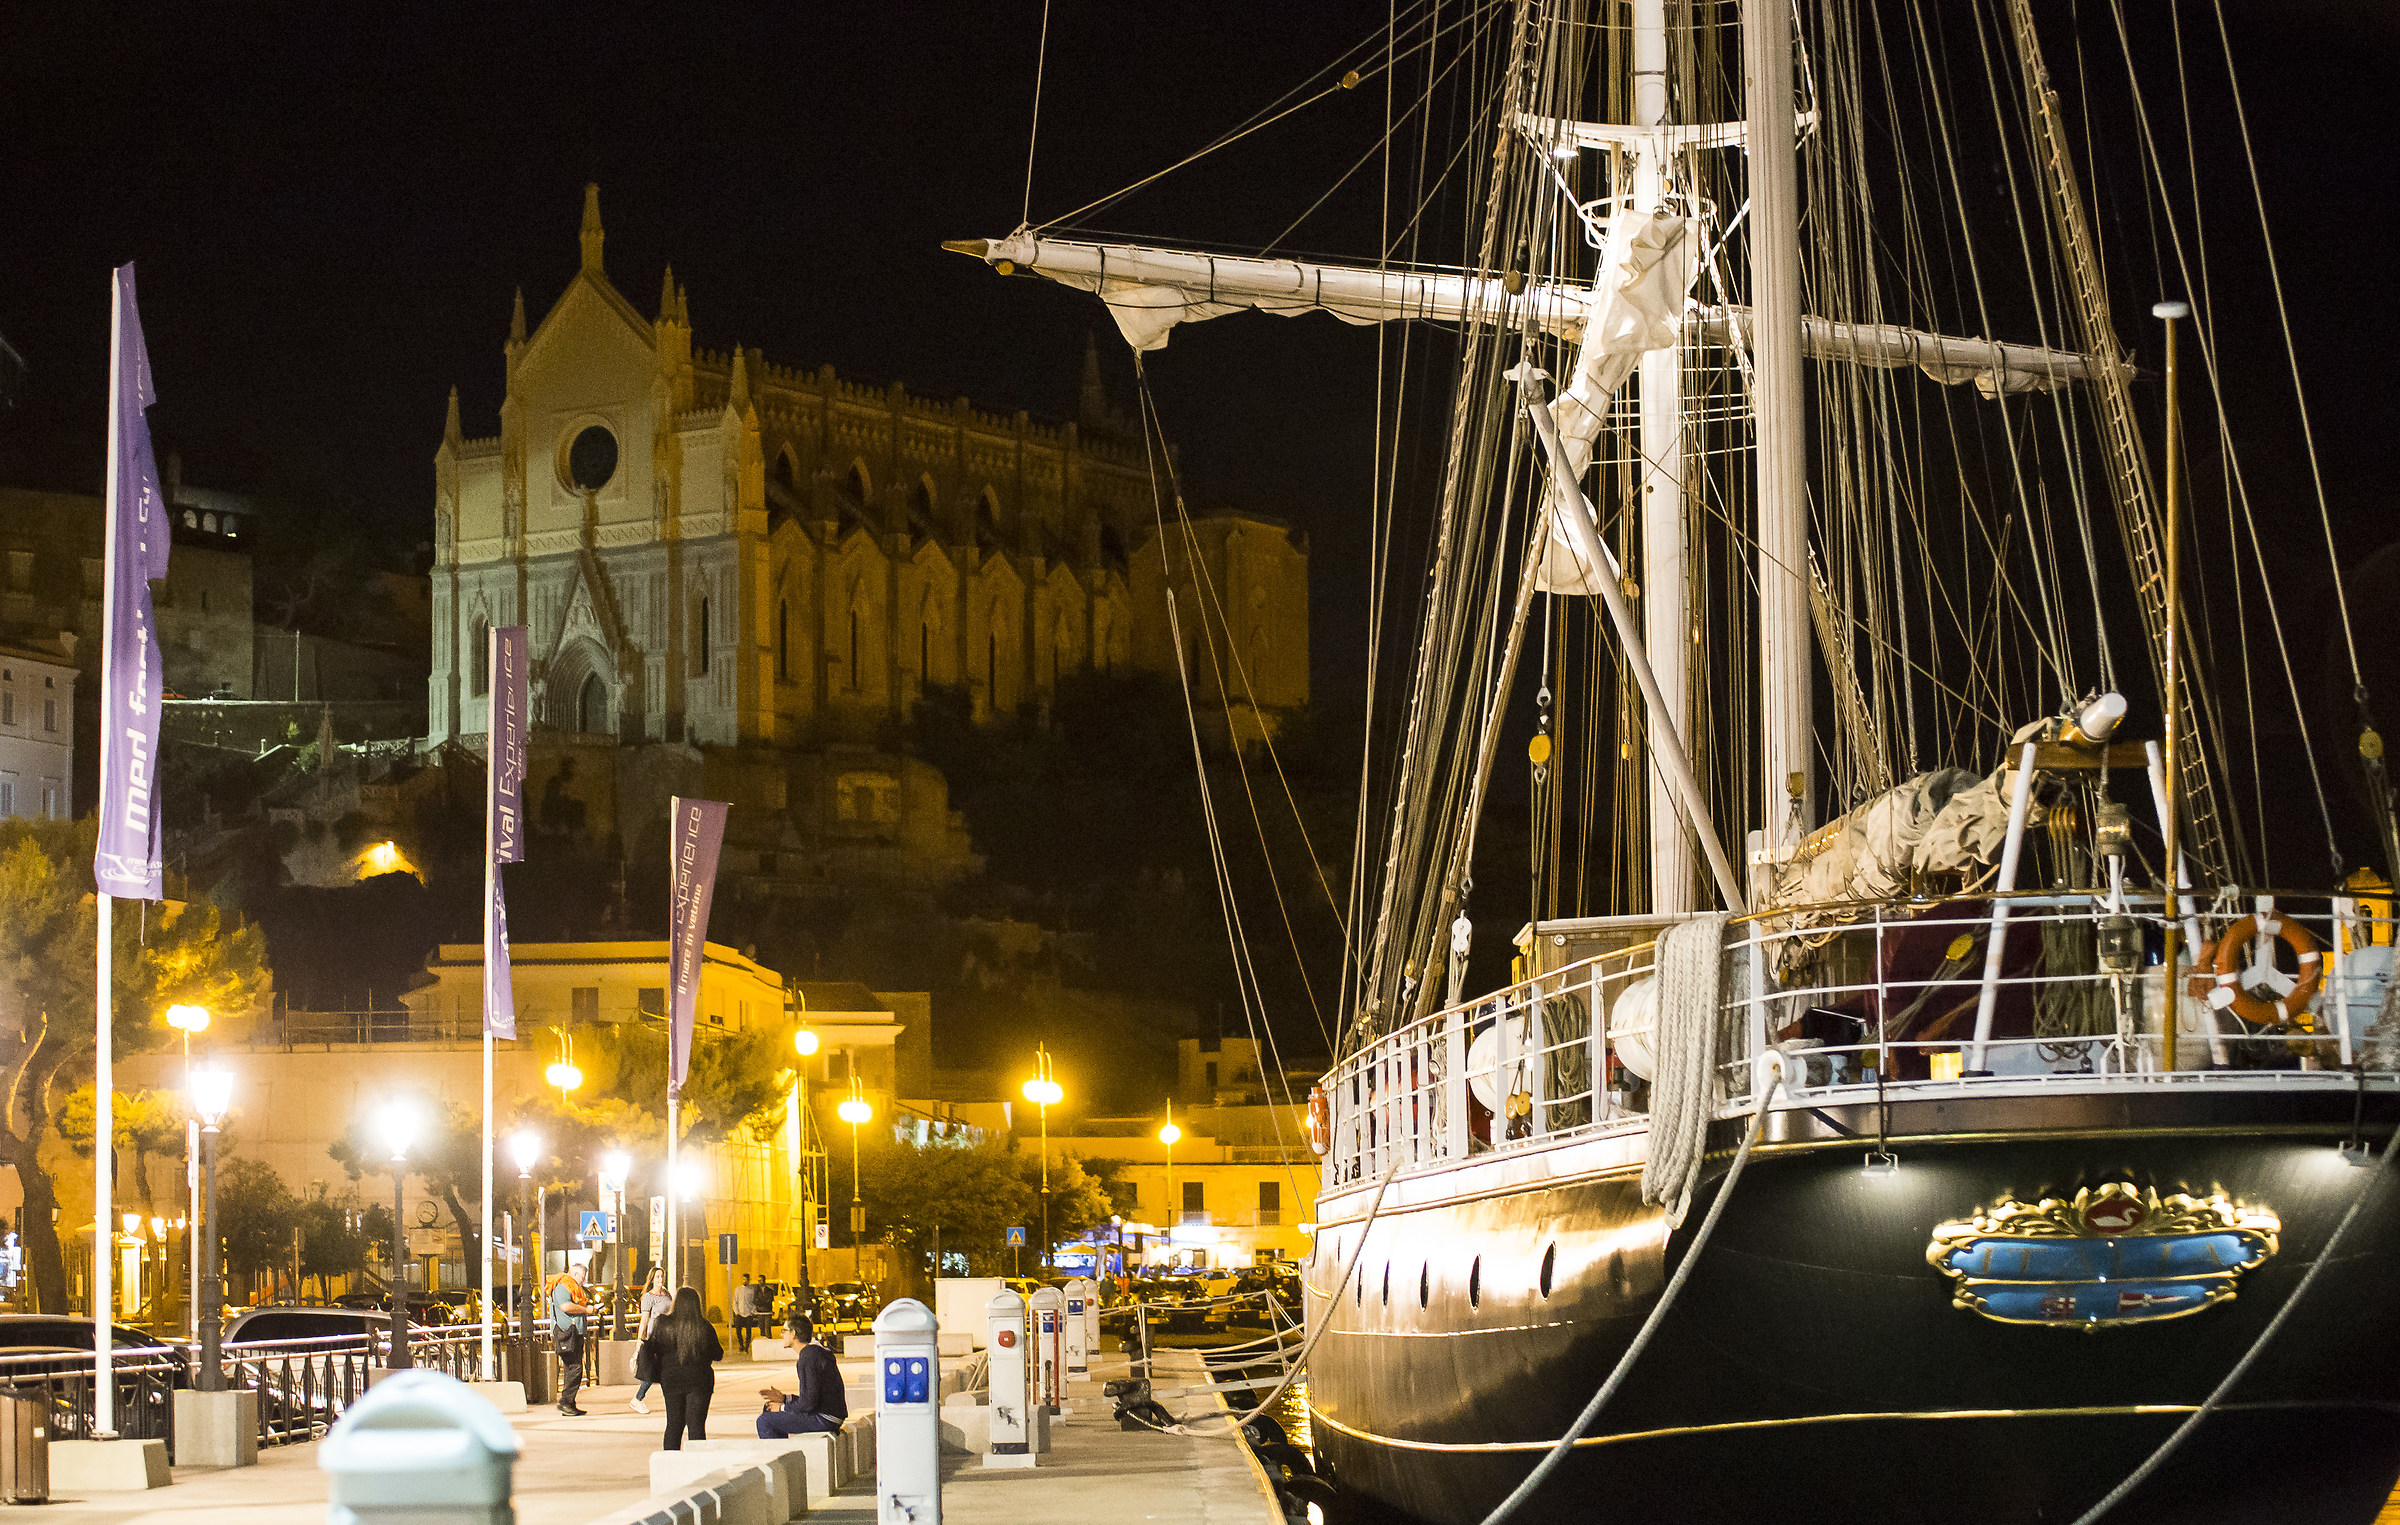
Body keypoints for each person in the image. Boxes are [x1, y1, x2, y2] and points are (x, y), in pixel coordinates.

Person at [640, 1284, 724, 1450]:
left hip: (671, 1380)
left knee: (674, 1424)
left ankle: (670, 1461)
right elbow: (718, 1354)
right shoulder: (704, 1326)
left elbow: (654, 1349)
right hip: (699, 1381)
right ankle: (697, 1462)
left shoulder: (663, 1323)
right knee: (696, 1426)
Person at [756, 1315, 846, 1438]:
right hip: (829, 1415)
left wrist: (782, 1407)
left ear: (793, 1334)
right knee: (769, 1409)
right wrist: (784, 1398)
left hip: (824, 1418)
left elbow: (809, 1403)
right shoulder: (814, 1353)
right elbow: (811, 1398)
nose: (781, 1335)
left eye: (784, 1331)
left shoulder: (808, 1358)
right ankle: (783, 1449)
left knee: (765, 1421)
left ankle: (781, 1451)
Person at [546, 1256, 595, 1417]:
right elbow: (565, 1306)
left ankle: (570, 1404)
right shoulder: (563, 1286)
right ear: (574, 1274)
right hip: (567, 1332)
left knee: (571, 1368)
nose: (583, 1280)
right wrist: (585, 1310)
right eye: (582, 1277)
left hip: (573, 1332)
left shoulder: (569, 1286)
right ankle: (566, 1402)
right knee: (575, 1368)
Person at [628, 1268, 672, 1416]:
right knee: (654, 1370)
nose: (661, 1279)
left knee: (666, 1370)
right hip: (656, 1337)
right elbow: (645, 1319)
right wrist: (640, 1339)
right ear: (652, 1279)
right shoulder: (648, 1297)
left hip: (668, 1336)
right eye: (658, 1276)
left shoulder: (666, 1294)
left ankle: (671, 1401)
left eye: (662, 1276)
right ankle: (637, 1398)